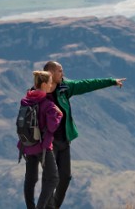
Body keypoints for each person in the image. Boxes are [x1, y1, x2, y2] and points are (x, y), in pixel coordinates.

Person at [43, 60, 125, 208]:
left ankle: (53, 207)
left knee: (65, 177)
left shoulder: (65, 88)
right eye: (60, 71)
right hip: (48, 143)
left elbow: (87, 84)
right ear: (50, 73)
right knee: (50, 178)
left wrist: (111, 81)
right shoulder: (39, 92)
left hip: (64, 141)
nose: (63, 73)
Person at [21, 70, 63, 209]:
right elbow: (52, 127)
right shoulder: (48, 104)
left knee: (30, 180)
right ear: (44, 84)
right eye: (50, 83)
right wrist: (59, 114)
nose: (51, 85)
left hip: (27, 145)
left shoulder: (26, 100)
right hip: (43, 147)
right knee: (53, 178)